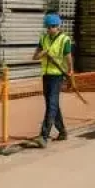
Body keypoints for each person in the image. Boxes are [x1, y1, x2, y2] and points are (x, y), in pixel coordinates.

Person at [33, 13, 73, 147]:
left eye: (52, 27)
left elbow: (68, 57)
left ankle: (43, 136)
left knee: (51, 104)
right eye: (48, 27)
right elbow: (35, 57)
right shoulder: (43, 38)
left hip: (57, 76)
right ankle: (62, 132)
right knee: (52, 104)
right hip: (46, 75)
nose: (50, 29)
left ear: (57, 26)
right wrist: (42, 53)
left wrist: (70, 72)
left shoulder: (64, 39)